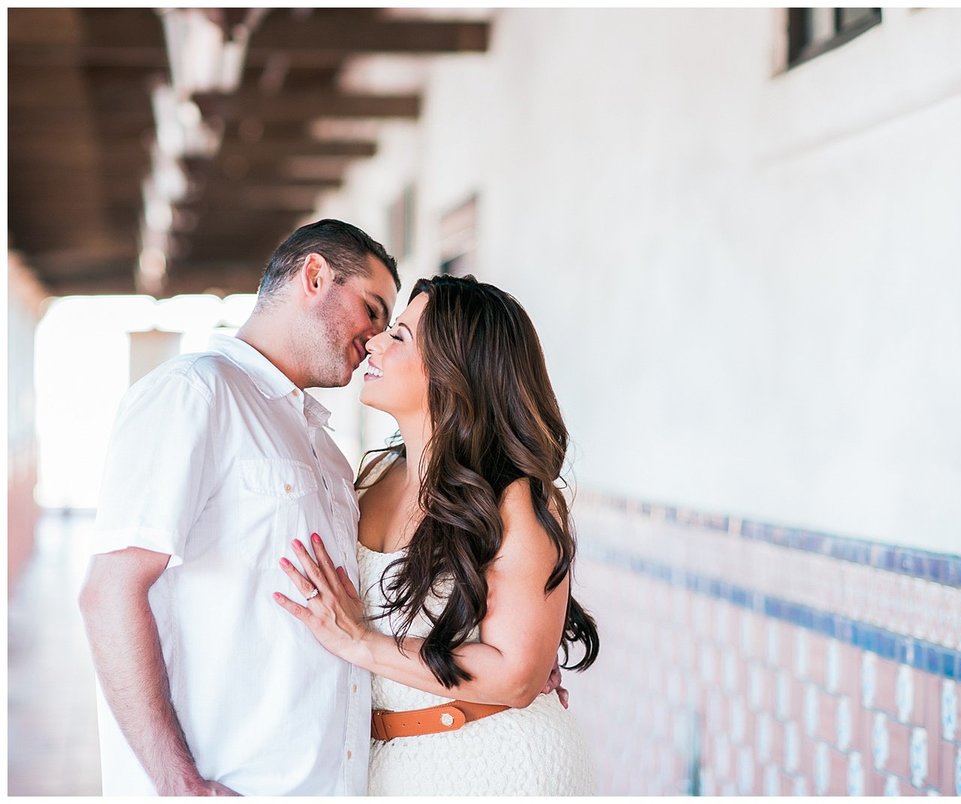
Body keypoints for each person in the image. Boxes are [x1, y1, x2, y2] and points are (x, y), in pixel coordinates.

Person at [77, 219, 401, 795]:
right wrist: (180, 786)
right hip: (225, 783)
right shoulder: (195, 393)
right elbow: (109, 592)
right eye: (372, 310)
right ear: (315, 275)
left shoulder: (327, 451)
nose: (377, 339)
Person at [274, 274, 601, 795]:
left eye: (399, 335)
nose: (374, 341)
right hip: (388, 765)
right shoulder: (370, 479)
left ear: (455, 372)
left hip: (500, 764)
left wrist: (363, 643)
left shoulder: (516, 498)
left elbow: (515, 677)